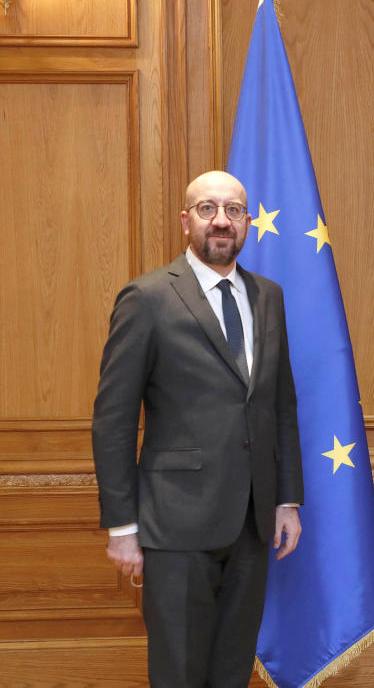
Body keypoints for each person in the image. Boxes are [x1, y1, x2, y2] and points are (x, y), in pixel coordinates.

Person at [92, 170, 305, 687]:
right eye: (208, 209)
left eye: (233, 210)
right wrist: (122, 527)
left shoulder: (268, 296)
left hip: (253, 522)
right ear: (185, 220)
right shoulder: (147, 298)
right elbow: (114, 419)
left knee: (231, 669)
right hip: (175, 525)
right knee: (180, 671)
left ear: (247, 222)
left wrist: (286, 500)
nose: (221, 221)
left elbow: (280, 405)